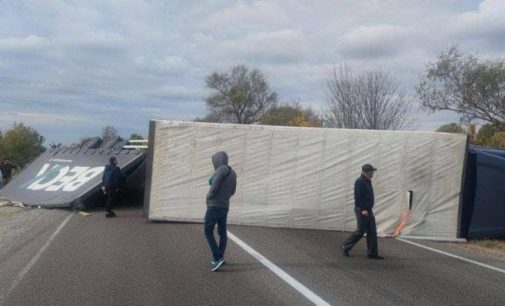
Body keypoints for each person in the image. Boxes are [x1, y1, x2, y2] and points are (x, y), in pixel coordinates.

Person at [341, 164, 384, 259]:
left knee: (372, 231)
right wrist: (363, 209)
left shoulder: (367, 181)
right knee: (361, 230)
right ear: (367, 172)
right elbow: (358, 196)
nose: (373, 173)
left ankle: (372, 253)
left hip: (368, 209)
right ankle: (345, 245)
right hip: (362, 209)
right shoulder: (360, 181)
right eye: (372, 171)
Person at [205, 151, 237, 272]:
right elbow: (233, 191)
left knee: (208, 231)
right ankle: (220, 256)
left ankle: (217, 257)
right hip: (224, 206)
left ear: (217, 160)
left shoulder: (220, 170)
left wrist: (209, 196)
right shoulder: (233, 173)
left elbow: (214, 188)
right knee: (222, 232)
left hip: (214, 206)